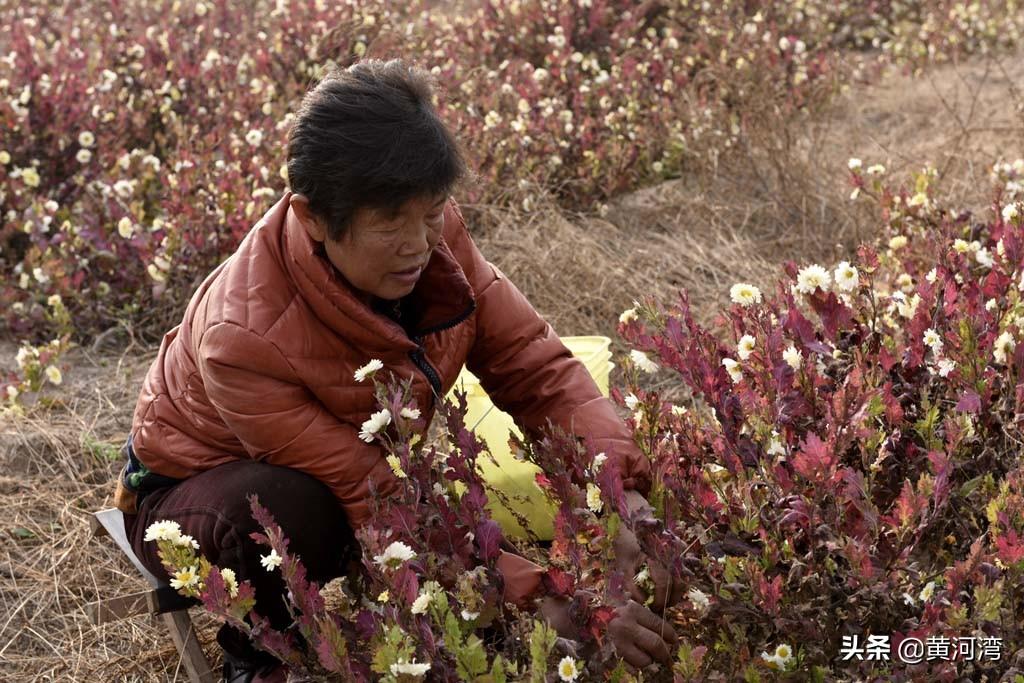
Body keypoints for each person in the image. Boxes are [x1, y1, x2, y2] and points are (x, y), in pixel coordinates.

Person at [113, 59, 679, 682]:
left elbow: (534, 367)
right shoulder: (242, 337)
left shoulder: (436, 240)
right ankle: (260, 653)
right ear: (313, 218)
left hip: (348, 478)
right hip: (192, 498)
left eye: (432, 210)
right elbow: (377, 498)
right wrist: (559, 602)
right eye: (389, 222)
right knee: (284, 511)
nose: (419, 244)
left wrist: (622, 500)